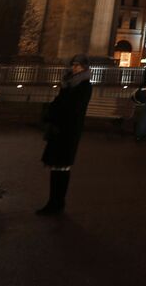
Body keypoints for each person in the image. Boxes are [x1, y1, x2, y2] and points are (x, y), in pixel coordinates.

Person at [37, 55, 93, 216]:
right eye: (74, 65)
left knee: (62, 167)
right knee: (56, 167)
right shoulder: (67, 84)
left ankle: (58, 202)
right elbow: (59, 102)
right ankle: (52, 202)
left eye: (78, 66)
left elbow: (73, 108)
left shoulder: (84, 86)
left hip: (69, 130)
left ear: (84, 68)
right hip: (58, 129)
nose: (75, 68)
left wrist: (56, 113)